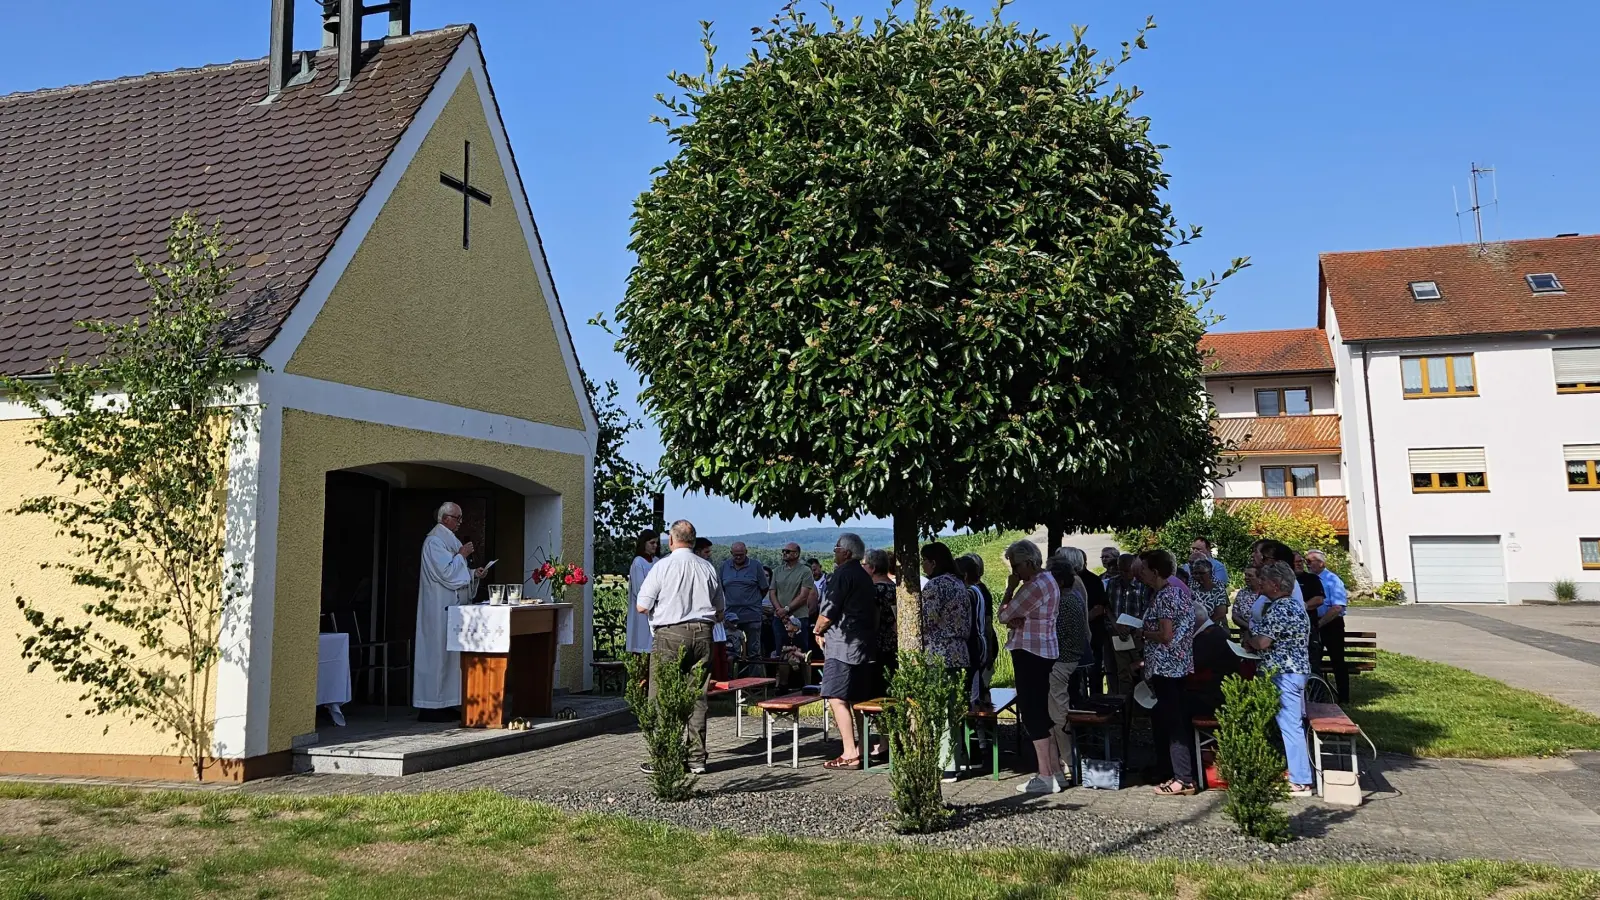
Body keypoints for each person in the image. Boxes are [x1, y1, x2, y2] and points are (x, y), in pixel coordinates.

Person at [636, 519, 724, 775]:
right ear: (694, 541)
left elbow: (642, 605)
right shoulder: (707, 568)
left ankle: (666, 757)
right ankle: (697, 758)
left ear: (671, 540)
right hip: (703, 633)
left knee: (663, 696)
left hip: (670, 634)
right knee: (697, 696)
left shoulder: (663, 567)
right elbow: (720, 609)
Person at [1245, 561, 1316, 797]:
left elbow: (1264, 642)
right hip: (1295, 670)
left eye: (1264, 581)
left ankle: (1301, 780)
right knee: (1290, 724)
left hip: (1284, 673)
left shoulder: (1280, 608)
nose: (1261, 584)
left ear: (1275, 585)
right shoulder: (1296, 606)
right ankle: (1297, 774)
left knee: (1290, 726)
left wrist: (1250, 641)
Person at [999, 540, 1064, 794]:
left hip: (1029, 650)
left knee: (1031, 712)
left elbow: (1004, 615)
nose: (1015, 572)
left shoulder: (1032, 586)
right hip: (1045, 648)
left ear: (1028, 562)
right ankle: (1057, 770)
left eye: (1016, 566)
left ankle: (1045, 774)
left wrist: (1009, 589)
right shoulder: (1049, 580)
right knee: (1042, 711)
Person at [413, 502, 487, 722]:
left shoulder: (448, 539)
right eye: (457, 518)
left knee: (449, 658)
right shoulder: (434, 541)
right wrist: (462, 554)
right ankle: (430, 706)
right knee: (436, 656)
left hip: (450, 610)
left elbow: (457, 570)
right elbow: (446, 573)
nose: (460, 522)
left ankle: (445, 703)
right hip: (437, 609)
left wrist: (474, 573)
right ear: (445, 518)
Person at [1133, 549, 1199, 796]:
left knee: (1174, 725)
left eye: (1145, 570)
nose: (1142, 575)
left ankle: (1183, 779)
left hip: (1166, 666)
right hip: (1179, 666)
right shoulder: (1178, 593)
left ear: (1156, 571)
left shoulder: (1164, 596)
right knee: (1173, 720)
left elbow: (1165, 635)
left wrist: (1142, 633)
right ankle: (1176, 772)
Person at [815, 533, 877, 769]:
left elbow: (828, 611)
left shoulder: (842, 575)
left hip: (842, 646)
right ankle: (861, 746)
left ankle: (850, 752)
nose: (834, 552)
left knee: (836, 696)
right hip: (863, 645)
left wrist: (817, 630)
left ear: (847, 553)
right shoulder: (863, 575)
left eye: (837, 548)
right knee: (858, 699)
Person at [918, 541, 972, 780]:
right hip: (960, 650)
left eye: (924, 561)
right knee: (954, 708)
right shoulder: (959, 583)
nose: (922, 565)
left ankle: (945, 762)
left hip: (938, 652)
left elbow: (927, 619)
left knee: (939, 710)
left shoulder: (934, 585)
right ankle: (958, 757)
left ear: (933, 562)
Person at [1046, 547, 1091, 782]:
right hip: (1071, 659)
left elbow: (1053, 636)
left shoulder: (1063, 603)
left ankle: (1068, 763)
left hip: (1062, 663)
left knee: (1057, 713)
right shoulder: (1073, 596)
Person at [1306, 550, 1350, 700]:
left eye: (1310, 561)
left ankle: (1344, 697)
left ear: (1321, 563)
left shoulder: (1332, 580)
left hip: (1332, 623)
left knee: (1337, 660)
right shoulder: (1310, 580)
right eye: (1306, 561)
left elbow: (1337, 607)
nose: (1307, 565)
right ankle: (1316, 694)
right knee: (1314, 659)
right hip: (1315, 622)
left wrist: (1320, 623)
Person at [956, 553, 999, 708]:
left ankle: (980, 724)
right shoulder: (980, 590)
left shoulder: (970, 592)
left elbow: (986, 622)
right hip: (983, 644)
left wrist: (988, 652)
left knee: (978, 689)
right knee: (980, 687)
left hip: (978, 645)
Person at [719, 542, 769, 673]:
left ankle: (755, 683)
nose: (738, 558)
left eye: (741, 555)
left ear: (746, 552)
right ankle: (731, 679)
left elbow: (764, 588)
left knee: (754, 652)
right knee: (730, 650)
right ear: (731, 554)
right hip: (731, 616)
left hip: (752, 615)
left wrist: (754, 602)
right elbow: (720, 589)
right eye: (736, 555)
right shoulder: (724, 567)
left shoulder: (756, 566)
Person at [1106, 553, 1150, 695]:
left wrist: (1131, 626)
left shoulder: (1143, 584)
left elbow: (1146, 609)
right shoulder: (1112, 583)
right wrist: (1116, 625)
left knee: (1141, 671)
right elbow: (1107, 607)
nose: (1125, 574)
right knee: (1122, 672)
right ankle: (1124, 706)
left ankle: (1141, 708)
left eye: (1128, 571)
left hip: (1137, 634)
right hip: (1117, 634)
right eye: (1121, 571)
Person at [771, 542, 818, 654]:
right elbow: (772, 592)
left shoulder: (805, 571)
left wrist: (786, 609)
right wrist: (780, 611)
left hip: (799, 617)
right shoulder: (777, 571)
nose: (784, 553)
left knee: (801, 653)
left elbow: (803, 596)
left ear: (796, 554)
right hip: (779, 618)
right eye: (783, 551)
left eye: (787, 551)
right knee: (781, 651)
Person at [864, 548, 899, 696]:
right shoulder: (896, 588)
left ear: (873, 568)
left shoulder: (874, 590)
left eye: (864, 564)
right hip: (895, 647)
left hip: (878, 649)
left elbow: (873, 622)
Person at [624, 530, 660, 656]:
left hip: (656, 610)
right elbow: (639, 590)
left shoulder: (657, 562)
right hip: (642, 611)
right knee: (642, 648)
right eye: (652, 543)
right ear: (644, 544)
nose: (655, 545)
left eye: (656, 543)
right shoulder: (638, 562)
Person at [1190, 559, 1228, 628]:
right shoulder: (1192, 588)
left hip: (1212, 627)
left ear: (1210, 573)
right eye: (1195, 573)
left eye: (1201, 573)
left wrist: (1204, 626)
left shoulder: (1218, 589)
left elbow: (1220, 613)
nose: (1197, 576)